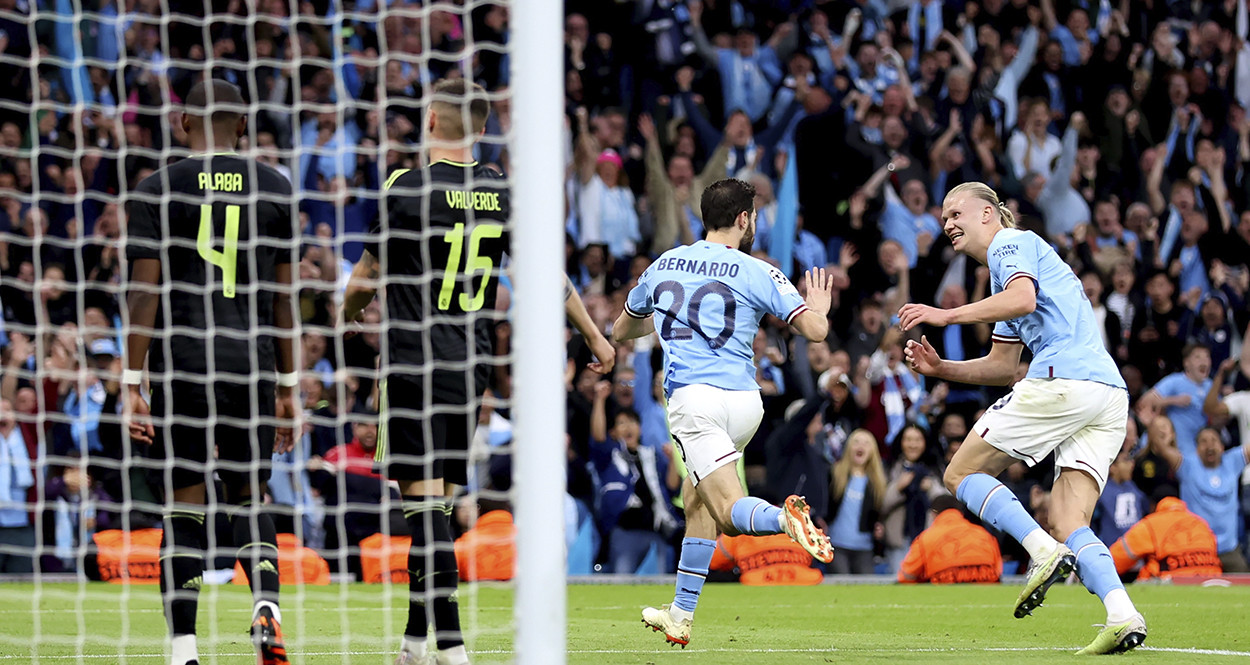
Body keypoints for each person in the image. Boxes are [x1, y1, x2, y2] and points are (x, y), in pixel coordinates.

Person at [341, 79, 614, 665]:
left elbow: (364, 275)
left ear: (432, 121)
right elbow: (547, 273)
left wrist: (345, 310)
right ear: (484, 130)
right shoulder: (501, 189)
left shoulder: (404, 185)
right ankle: (416, 643)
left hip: (414, 362)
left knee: (425, 509)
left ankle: (452, 645)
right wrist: (593, 333)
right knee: (435, 505)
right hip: (471, 367)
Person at [897, 181, 1146, 654]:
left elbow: (1022, 300)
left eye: (956, 213)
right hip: (1106, 393)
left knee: (960, 471)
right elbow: (1004, 367)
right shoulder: (1014, 271)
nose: (947, 223)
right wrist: (941, 368)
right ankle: (1122, 614)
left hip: (1064, 380)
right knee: (1068, 517)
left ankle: (1041, 553)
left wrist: (944, 315)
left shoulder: (1012, 245)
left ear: (988, 213)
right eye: (943, 216)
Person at [611, 177, 834, 648]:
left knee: (728, 512)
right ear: (743, 219)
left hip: (695, 402)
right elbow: (814, 331)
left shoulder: (664, 264)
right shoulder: (761, 271)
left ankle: (783, 521)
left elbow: (622, 327)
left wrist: (660, 317)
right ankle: (680, 614)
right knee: (698, 502)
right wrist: (820, 307)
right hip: (745, 403)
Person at [123, 79, 298, 665]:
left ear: (182, 124)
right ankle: (266, 605)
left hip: (183, 367)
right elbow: (284, 301)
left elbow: (143, 295)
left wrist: (130, 384)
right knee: (251, 498)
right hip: (251, 368)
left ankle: (184, 648)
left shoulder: (156, 189)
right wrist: (291, 389)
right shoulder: (275, 188)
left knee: (184, 507)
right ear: (244, 127)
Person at [1108, 488, 1221, 582]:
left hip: (1170, 583)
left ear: (1153, 506)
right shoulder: (1201, 523)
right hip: (1211, 581)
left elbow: (1114, 560)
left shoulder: (1150, 524)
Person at [898, 494, 1002, 584]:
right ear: (960, 512)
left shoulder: (926, 538)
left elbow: (907, 575)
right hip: (984, 590)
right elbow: (998, 570)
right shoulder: (984, 534)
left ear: (933, 514)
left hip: (945, 592)